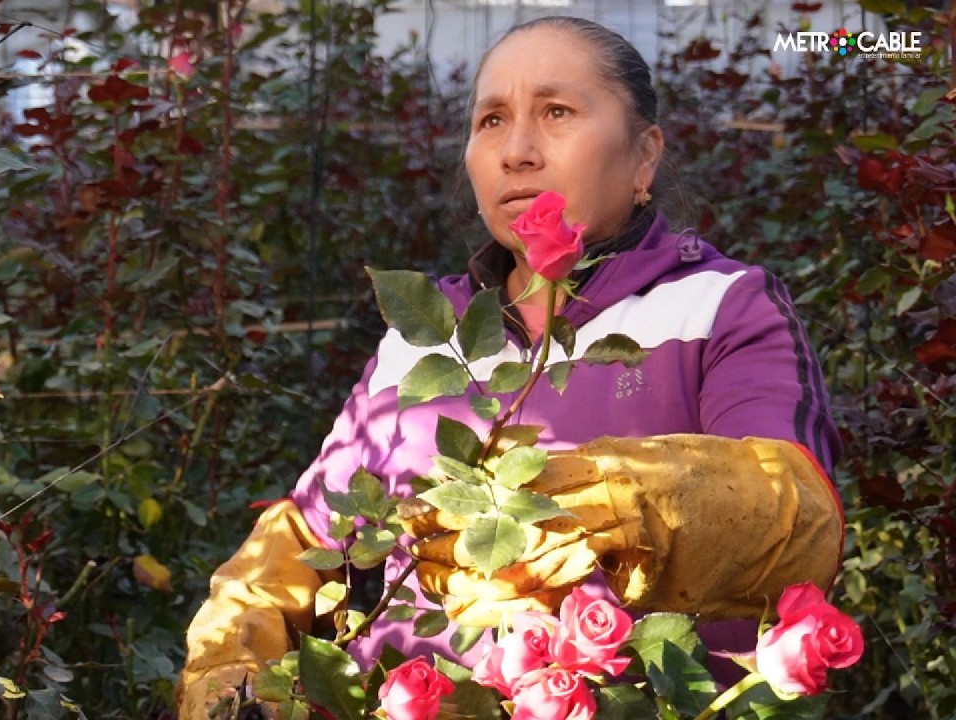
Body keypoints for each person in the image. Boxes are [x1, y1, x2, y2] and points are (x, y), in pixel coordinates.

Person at [179, 16, 843, 717]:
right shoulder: (429, 335)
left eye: (557, 111)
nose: (516, 151)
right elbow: (309, 536)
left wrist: (605, 505)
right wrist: (233, 664)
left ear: (645, 156)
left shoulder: (719, 307)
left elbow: (794, 514)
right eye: (491, 119)